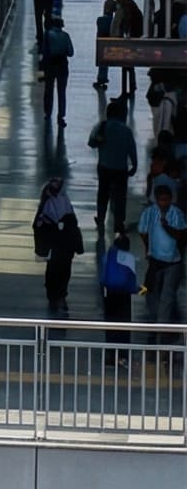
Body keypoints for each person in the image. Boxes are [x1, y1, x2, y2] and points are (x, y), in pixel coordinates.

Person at [36, 177, 83, 318]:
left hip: (55, 244)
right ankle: (60, 294)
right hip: (65, 244)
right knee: (64, 270)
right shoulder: (65, 201)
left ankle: (54, 294)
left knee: (53, 269)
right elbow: (72, 221)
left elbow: (39, 223)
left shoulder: (47, 201)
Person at [140, 181, 186, 326]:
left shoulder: (177, 213)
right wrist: (148, 248)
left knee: (167, 296)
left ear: (171, 199)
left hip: (173, 262)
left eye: (166, 200)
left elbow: (180, 235)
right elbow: (143, 232)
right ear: (156, 199)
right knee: (149, 291)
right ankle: (155, 320)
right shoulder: (149, 212)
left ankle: (161, 326)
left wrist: (166, 226)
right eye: (161, 200)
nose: (163, 203)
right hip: (155, 261)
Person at [93, 97, 139, 237]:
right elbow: (132, 149)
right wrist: (134, 165)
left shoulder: (101, 126)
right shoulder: (126, 131)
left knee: (103, 193)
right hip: (120, 169)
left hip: (104, 166)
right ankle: (119, 223)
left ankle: (100, 218)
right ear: (121, 115)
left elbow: (92, 142)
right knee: (120, 196)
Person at [101, 231, 141, 363]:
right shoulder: (129, 257)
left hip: (110, 295)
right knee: (124, 325)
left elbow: (102, 278)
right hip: (124, 296)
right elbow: (132, 281)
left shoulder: (108, 255)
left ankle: (110, 355)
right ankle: (123, 355)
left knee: (111, 324)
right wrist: (139, 290)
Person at [38, 10, 75, 125]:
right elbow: (70, 52)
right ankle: (61, 116)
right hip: (62, 64)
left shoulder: (47, 34)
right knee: (61, 91)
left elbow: (44, 50)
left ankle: (47, 112)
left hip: (50, 64)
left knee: (49, 89)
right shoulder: (66, 36)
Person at [95, 0, 122, 94]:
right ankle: (102, 78)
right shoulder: (115, 21)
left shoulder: (101, 20)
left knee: (102, 64)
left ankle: (101, 79)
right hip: (112, 43)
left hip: (103, 44)